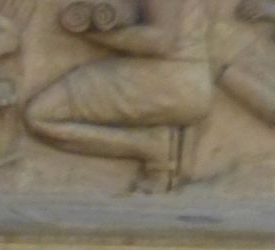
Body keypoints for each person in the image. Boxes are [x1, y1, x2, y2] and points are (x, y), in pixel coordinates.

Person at [23, 0, 211, 193]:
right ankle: (154, 147)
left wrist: (95, 35)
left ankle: (150, 147)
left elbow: (160, 42)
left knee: (43, 116)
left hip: (169, 81)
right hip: (178, 81)